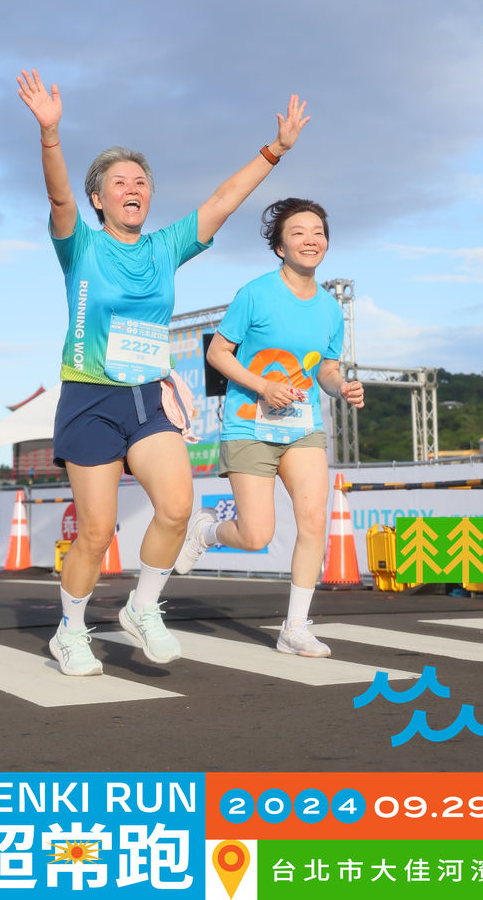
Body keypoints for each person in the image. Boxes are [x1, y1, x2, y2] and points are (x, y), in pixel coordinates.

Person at [17, 70, 310, 676]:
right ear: (100, 199)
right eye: (119, 182)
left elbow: (223, 200)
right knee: (96, 532)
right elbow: (59, 200)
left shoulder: (165, 247)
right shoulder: (80, 245)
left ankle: (142, 606)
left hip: (147, 398)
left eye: (141, 182)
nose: (133, 189)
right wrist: (50, 133)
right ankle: (69, 631)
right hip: (90, 399)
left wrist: (275, 150)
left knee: (177, 507)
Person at [174, 197, 365, 657]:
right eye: (298, 232)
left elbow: (326, 369)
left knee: (313, 522)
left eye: (318, 232)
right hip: (249, 425)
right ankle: (206, 532)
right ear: (280, 247)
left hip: (303, 426)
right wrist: (262, 386)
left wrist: (342, 386)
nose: (310, 239)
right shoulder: (256, 294)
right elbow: (217, 353)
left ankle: (294, 628)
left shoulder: (329, 310)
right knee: (256, 535)